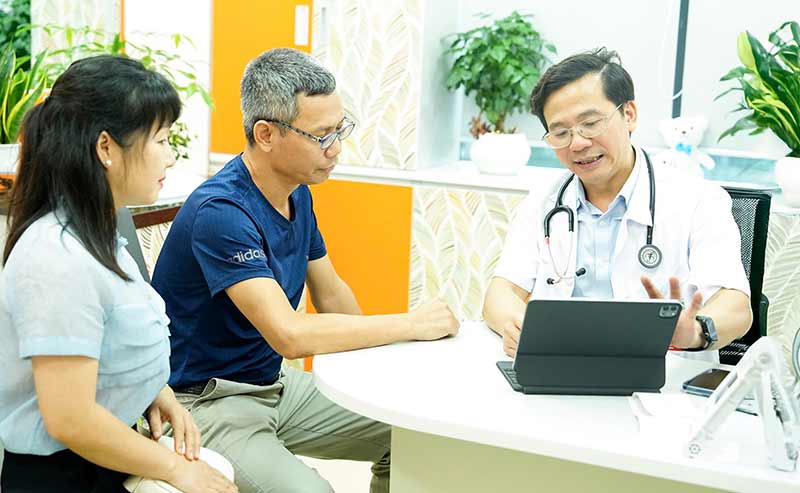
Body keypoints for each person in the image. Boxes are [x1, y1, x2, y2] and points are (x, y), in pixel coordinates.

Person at [151, 47, 459, 493]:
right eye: (321, 135)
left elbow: (331, 293)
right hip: (205, 401)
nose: (335, 148)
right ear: (266, 134)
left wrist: (383, 375)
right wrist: (409, 324)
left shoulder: (297, 194)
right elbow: (290, 335)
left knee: (413, 438)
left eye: (340, 129)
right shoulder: (221, 212)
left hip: (272, 385)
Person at [0, 55, 237, 493]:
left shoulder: (99, 233)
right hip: (65, 476)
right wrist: (176, 469)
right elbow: (70, 419)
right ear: (106, 148)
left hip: (106, 455)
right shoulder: (56, 257)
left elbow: (111, 341)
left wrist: (153, 391)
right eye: (162, 140)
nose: (171, 154)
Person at [483, 48, 752, 360]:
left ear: (629, 115)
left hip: (663, 383)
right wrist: (518, 326)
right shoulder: (543, 202)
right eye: (560, 132)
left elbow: (736, 305)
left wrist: (696, 331)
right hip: (561, 370)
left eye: (591, 123)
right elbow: (500, 294)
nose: (578, 143)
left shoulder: (698, 200)